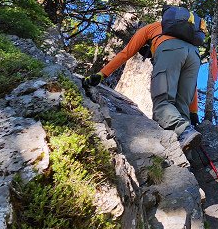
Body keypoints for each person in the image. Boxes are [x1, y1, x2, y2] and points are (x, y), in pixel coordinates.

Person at [83, 21, 203, 150]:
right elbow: (192, 83)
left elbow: (126, 53)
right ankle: (187, 152)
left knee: (162, 101)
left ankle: (183, 131)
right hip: (194, 56)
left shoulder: (149, 29)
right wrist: (194, 111)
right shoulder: (182, 34)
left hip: (170, 49)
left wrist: (102, 74)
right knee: (182, 107)